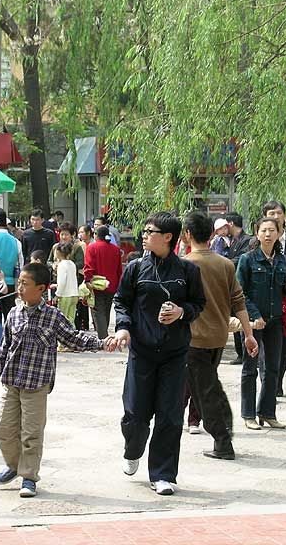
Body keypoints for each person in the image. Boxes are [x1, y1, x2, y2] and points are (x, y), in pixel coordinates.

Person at [0, 263, 113, 498]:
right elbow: (5, 345)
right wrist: (1, 369)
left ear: (41, 289)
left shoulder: (52, 317)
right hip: (12, 383)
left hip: (36, 385)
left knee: (31, 433)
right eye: (19, 283)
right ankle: (14, 465)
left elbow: (73, 339)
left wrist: (101, 342)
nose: (19, 288)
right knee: (4, 429)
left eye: (25, 284)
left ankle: (28, 477)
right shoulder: (14, 313)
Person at [113, 212, 206, 496]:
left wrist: (181, 312)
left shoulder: (187, 271)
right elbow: (122, 302)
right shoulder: (135, 267)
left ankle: (163, 474)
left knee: (169, 415)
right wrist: (123, 329)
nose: (144, 235)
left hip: (174, 354)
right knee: (135, 414)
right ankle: (133, 449)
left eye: (150, 231)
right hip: (141, 352)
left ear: (168, 237)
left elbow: (198, 303)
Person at [181, 211, 255, 459]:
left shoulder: (185, 264)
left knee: (205, 391)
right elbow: (239, 301)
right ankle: (224, 431)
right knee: (209, 384)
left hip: (194, 339)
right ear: (212, 234)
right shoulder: (225, 264)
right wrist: (248, 334)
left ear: (187, 234)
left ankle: (223, 441)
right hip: (218, 338)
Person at [236, 217, 286, 429]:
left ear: (279, 233)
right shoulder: (247, 259)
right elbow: (239, 293)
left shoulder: (281, 260)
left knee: (272, 368)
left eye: (272, 230)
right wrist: (254, 315)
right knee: (250, 368)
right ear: (257, 233)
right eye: (264, 230)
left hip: (275, 321)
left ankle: (267, 413)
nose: (268, 234)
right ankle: (248, 414)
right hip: (253, 321)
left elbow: (280, 292)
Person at [225, 212, 255, 364]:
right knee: (234, 318)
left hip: (243, 285)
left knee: (242, 318)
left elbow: (241, 259)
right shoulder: (232, 241)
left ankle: (244, 352)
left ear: (230, 223)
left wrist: (224, 261)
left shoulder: (247, 240)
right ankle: (239, 352)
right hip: (232, 284)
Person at [83, 225, 123, 339]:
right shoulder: (115, 249)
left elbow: (89, 266)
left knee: (98, 310)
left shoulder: (92, 247)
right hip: (112, 284)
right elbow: (119, 269)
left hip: (97, 283)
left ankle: (103, 337)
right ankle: (104, 334)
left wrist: (87, 279)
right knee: (106, 308)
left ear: (96, 235)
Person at [52, 242, 79, 328]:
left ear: (58, 252)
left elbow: (62, 282)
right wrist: (57, 285)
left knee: (62, 321)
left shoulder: (61, 265)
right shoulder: (72, 263)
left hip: (65, 296)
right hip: (74, 294)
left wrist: (57, 295)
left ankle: (63, 340)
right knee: (71, 320)